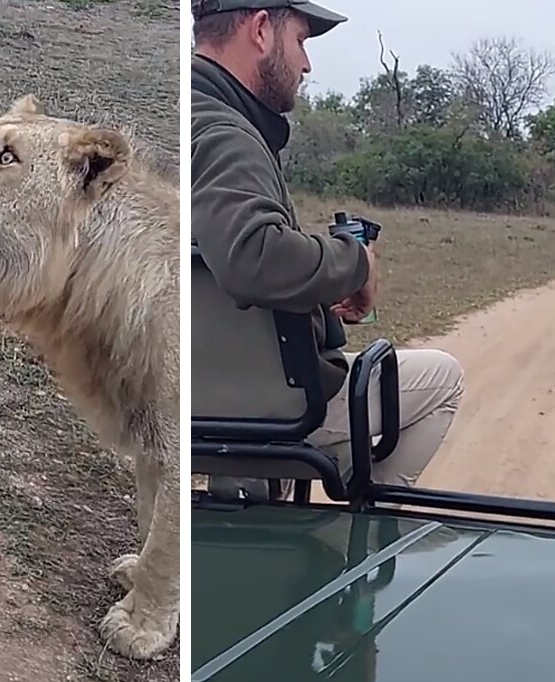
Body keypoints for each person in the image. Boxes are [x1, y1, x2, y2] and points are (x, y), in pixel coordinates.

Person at [190, 0, 465, 496]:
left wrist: (318, 280)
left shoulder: (184, 115)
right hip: (271, 409)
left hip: (196, 390)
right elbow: (252, 256)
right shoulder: (228, 136)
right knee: (445, 377)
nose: (306, 63)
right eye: (300, 41)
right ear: (259, 31)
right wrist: (355, 261)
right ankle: (361, 535)